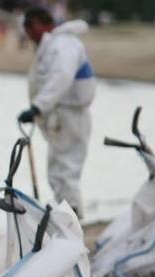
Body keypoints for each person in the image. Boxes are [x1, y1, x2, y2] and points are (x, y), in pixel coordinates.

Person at [17, 6, 95, 218]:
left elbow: (61, 77)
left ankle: (72, 220)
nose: (28, 33)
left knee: (65, 171)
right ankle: (66, 219)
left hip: (70, 116)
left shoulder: (64, 45)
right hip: (61, 116)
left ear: (40, 24)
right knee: (58, 172)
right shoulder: (55, 45)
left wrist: (37, 107)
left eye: (29, 27)